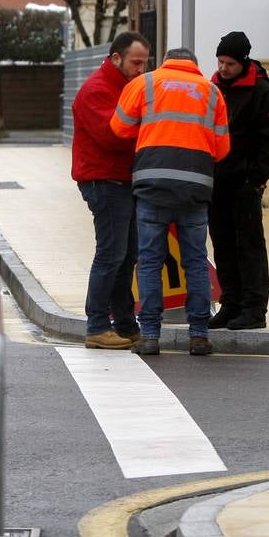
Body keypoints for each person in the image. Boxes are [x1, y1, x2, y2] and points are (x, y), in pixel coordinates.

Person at [111, 47, 229, 356]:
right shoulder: (212, 92)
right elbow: (222, 147)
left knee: (149, 261)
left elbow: (118, 127)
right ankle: (199, 334)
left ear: (165, 62)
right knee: (195, 262)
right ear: (194, 65)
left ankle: (150, 335)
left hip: (152, 186)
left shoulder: (145, 84)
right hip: (195, 188)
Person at [71, 31, 151, 349]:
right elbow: (112, 136)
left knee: (127, 255)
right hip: (105, 181)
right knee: (111, 254)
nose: (141, 69)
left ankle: (125, 323)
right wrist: (149, 132)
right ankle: (97, 325)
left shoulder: (127, 88)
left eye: (145, 63)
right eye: (136, 62)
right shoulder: (97, 90)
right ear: (116, 58)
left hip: (124, 181)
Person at [207, 31, 269, 331]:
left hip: (244, 184)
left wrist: (255, 180)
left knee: (248, 246)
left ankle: (254, 309)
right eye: (221, 61)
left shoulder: (262, 93)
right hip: (217, 182)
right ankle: (230, 303)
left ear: (243, 61)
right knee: (223, 245)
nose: (224, 68)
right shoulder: (214, 89)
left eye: (229, 63)